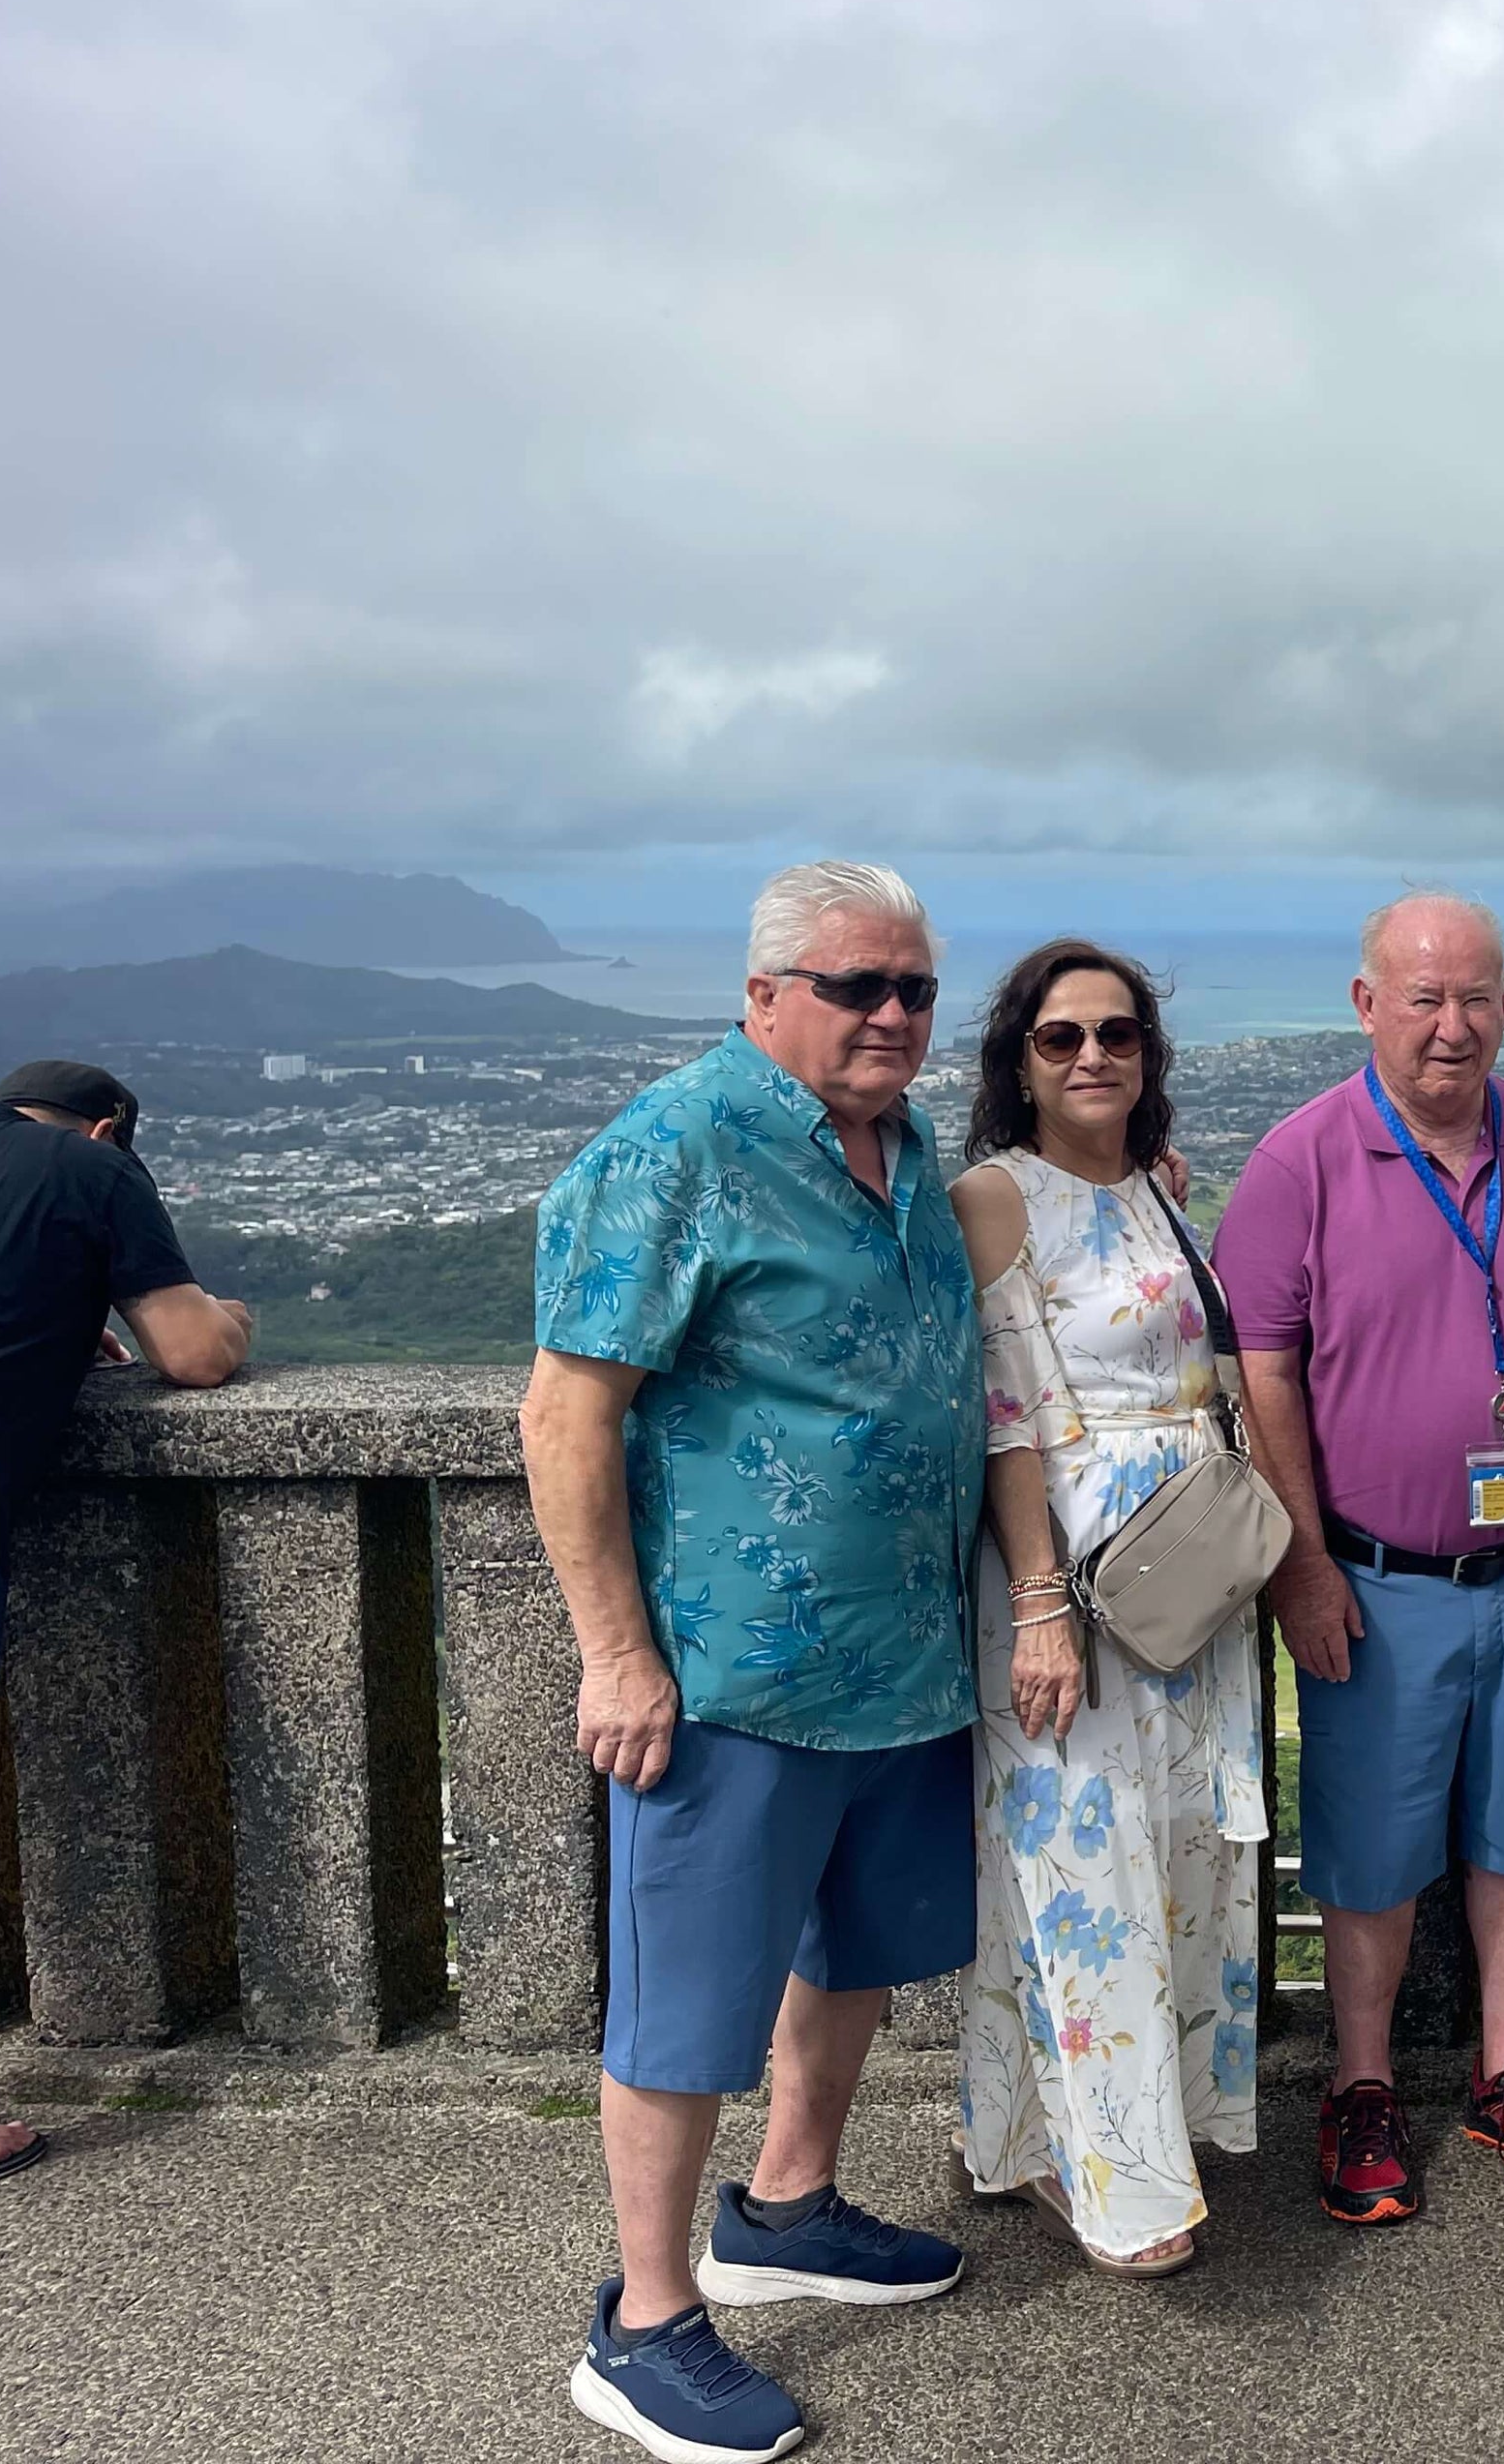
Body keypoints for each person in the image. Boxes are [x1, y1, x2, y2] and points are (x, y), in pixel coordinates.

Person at [527, 860, 984, 2464]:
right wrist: (615, 1653)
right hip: (732, 1672)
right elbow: (565, 1413)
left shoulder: (909, 1148)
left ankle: (786, 2208)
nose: (892, 1014)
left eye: (915, 988)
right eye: (858, 985)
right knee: (688, 2000)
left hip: (903, 1659)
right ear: (765, 994)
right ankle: (645, 2321)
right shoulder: (679, 1144)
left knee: (853, 1951)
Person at [1213, 893, 1504, 2227]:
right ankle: (1365, 2081)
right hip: (1376, 1576)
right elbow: (1261, 1373)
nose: (1453, 1025)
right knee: (1371, 1843)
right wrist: (1300, 1563)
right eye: (1424, 998)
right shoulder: (1300, 1161)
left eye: (1476, 997)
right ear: (1367, 1003)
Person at [951, 940, 1265, 2274]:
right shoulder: (993, 1197)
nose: (1093, 1055)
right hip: (1076, 1572)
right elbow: (1006, 1417)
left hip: (1185, 1575)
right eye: (1062, 1036)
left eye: (1118, 1033)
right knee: (1084, 1868)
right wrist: (1038, 1606)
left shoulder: (1155, 1187)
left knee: (1180, 1852)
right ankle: (1117, 2180)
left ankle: (1053, 2137)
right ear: (1018, 1061)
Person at [0, 1059, 250, 2195]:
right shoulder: (91, 1169)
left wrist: (54, 1321)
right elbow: (194, 1354)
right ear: (108, 1127)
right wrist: (228, 1317)